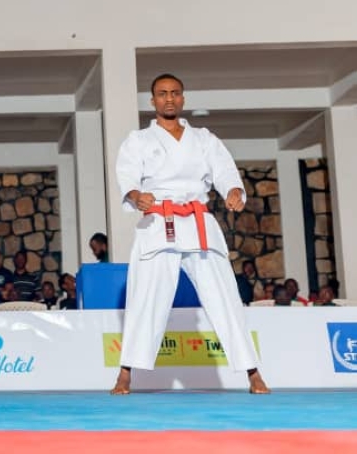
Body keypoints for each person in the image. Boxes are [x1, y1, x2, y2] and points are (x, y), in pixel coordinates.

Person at [111, 73, 270, 395]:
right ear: (152, 100)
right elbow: (127, 177)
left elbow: (225, 170)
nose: (169, 98)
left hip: (198, 222)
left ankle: (253, 373)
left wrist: (234, 190)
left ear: (183, 98)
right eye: (162, 93)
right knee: (144, 299)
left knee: (225, 297)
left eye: (175, 93)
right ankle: (125, 375)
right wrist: (134, 195)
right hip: (158, 223)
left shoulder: (204, 138)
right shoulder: (138, 140)